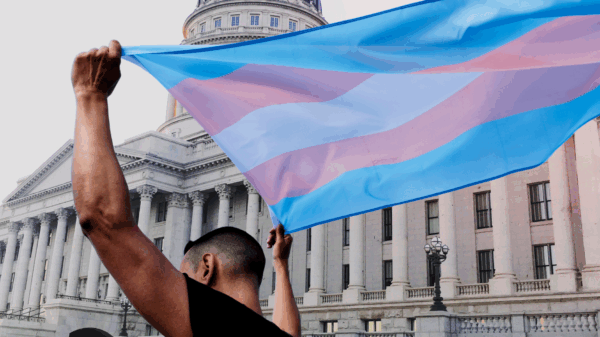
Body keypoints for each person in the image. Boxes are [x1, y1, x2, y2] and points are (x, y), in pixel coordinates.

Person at [70, 40, 300, 337]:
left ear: (207, 268)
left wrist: (90, 95)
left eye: (184, 279)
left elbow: (101, 218)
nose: (179, 288)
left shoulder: (218, 325)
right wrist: (280, 266)